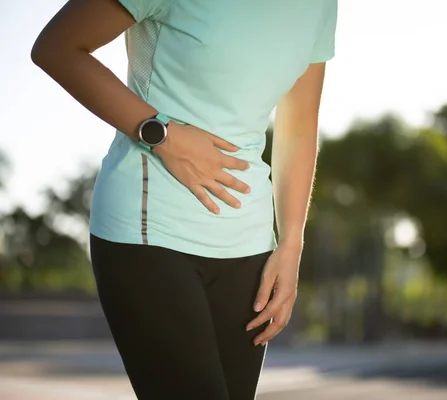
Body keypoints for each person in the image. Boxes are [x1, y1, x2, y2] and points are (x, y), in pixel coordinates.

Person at [30, 0, 337, 398]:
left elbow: (298, 124)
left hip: (250, 246)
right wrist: (163, 136)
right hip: (148, 230)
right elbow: (58, 47)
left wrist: (292, 243)